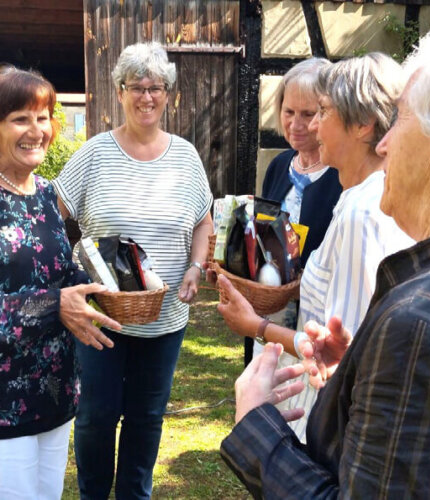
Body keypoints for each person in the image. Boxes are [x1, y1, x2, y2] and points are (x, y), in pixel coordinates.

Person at [220, 15, 430, 498]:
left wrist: (254, 426)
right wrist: (368, 372)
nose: (387, 144)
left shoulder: (426, 320)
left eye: (404, 120)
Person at [218, 53, 414, 442]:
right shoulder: (361, 198)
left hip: (328, 412)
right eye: (294, 112)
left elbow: (343, 353)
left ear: (363, 125)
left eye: (321, 112)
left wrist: (254, 325)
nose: (308, 126)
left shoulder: (362, 213)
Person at [52, 42, 213, 499]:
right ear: (119, 92)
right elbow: (52, 213)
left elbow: (203, 220)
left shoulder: (185, 156)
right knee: (97, 416)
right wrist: (66, 277)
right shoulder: (95, 153)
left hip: (164, 321)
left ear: (168, 95)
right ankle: (93, 494)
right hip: (101, 317)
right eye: (136, 87)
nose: (147, 97)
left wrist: (196, 267)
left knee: (146, 418)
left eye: (156, 88)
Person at [0, 66, 120, 499]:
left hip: (55, 390)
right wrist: (57, 304)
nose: (37, 131)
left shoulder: (46, 192)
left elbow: (60, 271)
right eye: (20, 118)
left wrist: (110, 283)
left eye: (44, 116)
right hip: (5, 404)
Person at [246, 57, 343, 365]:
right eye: (289, 112)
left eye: (308, 114)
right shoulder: (278, 166)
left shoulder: (343, 175)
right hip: (267, 315)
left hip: (317, 326)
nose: (295, 124)